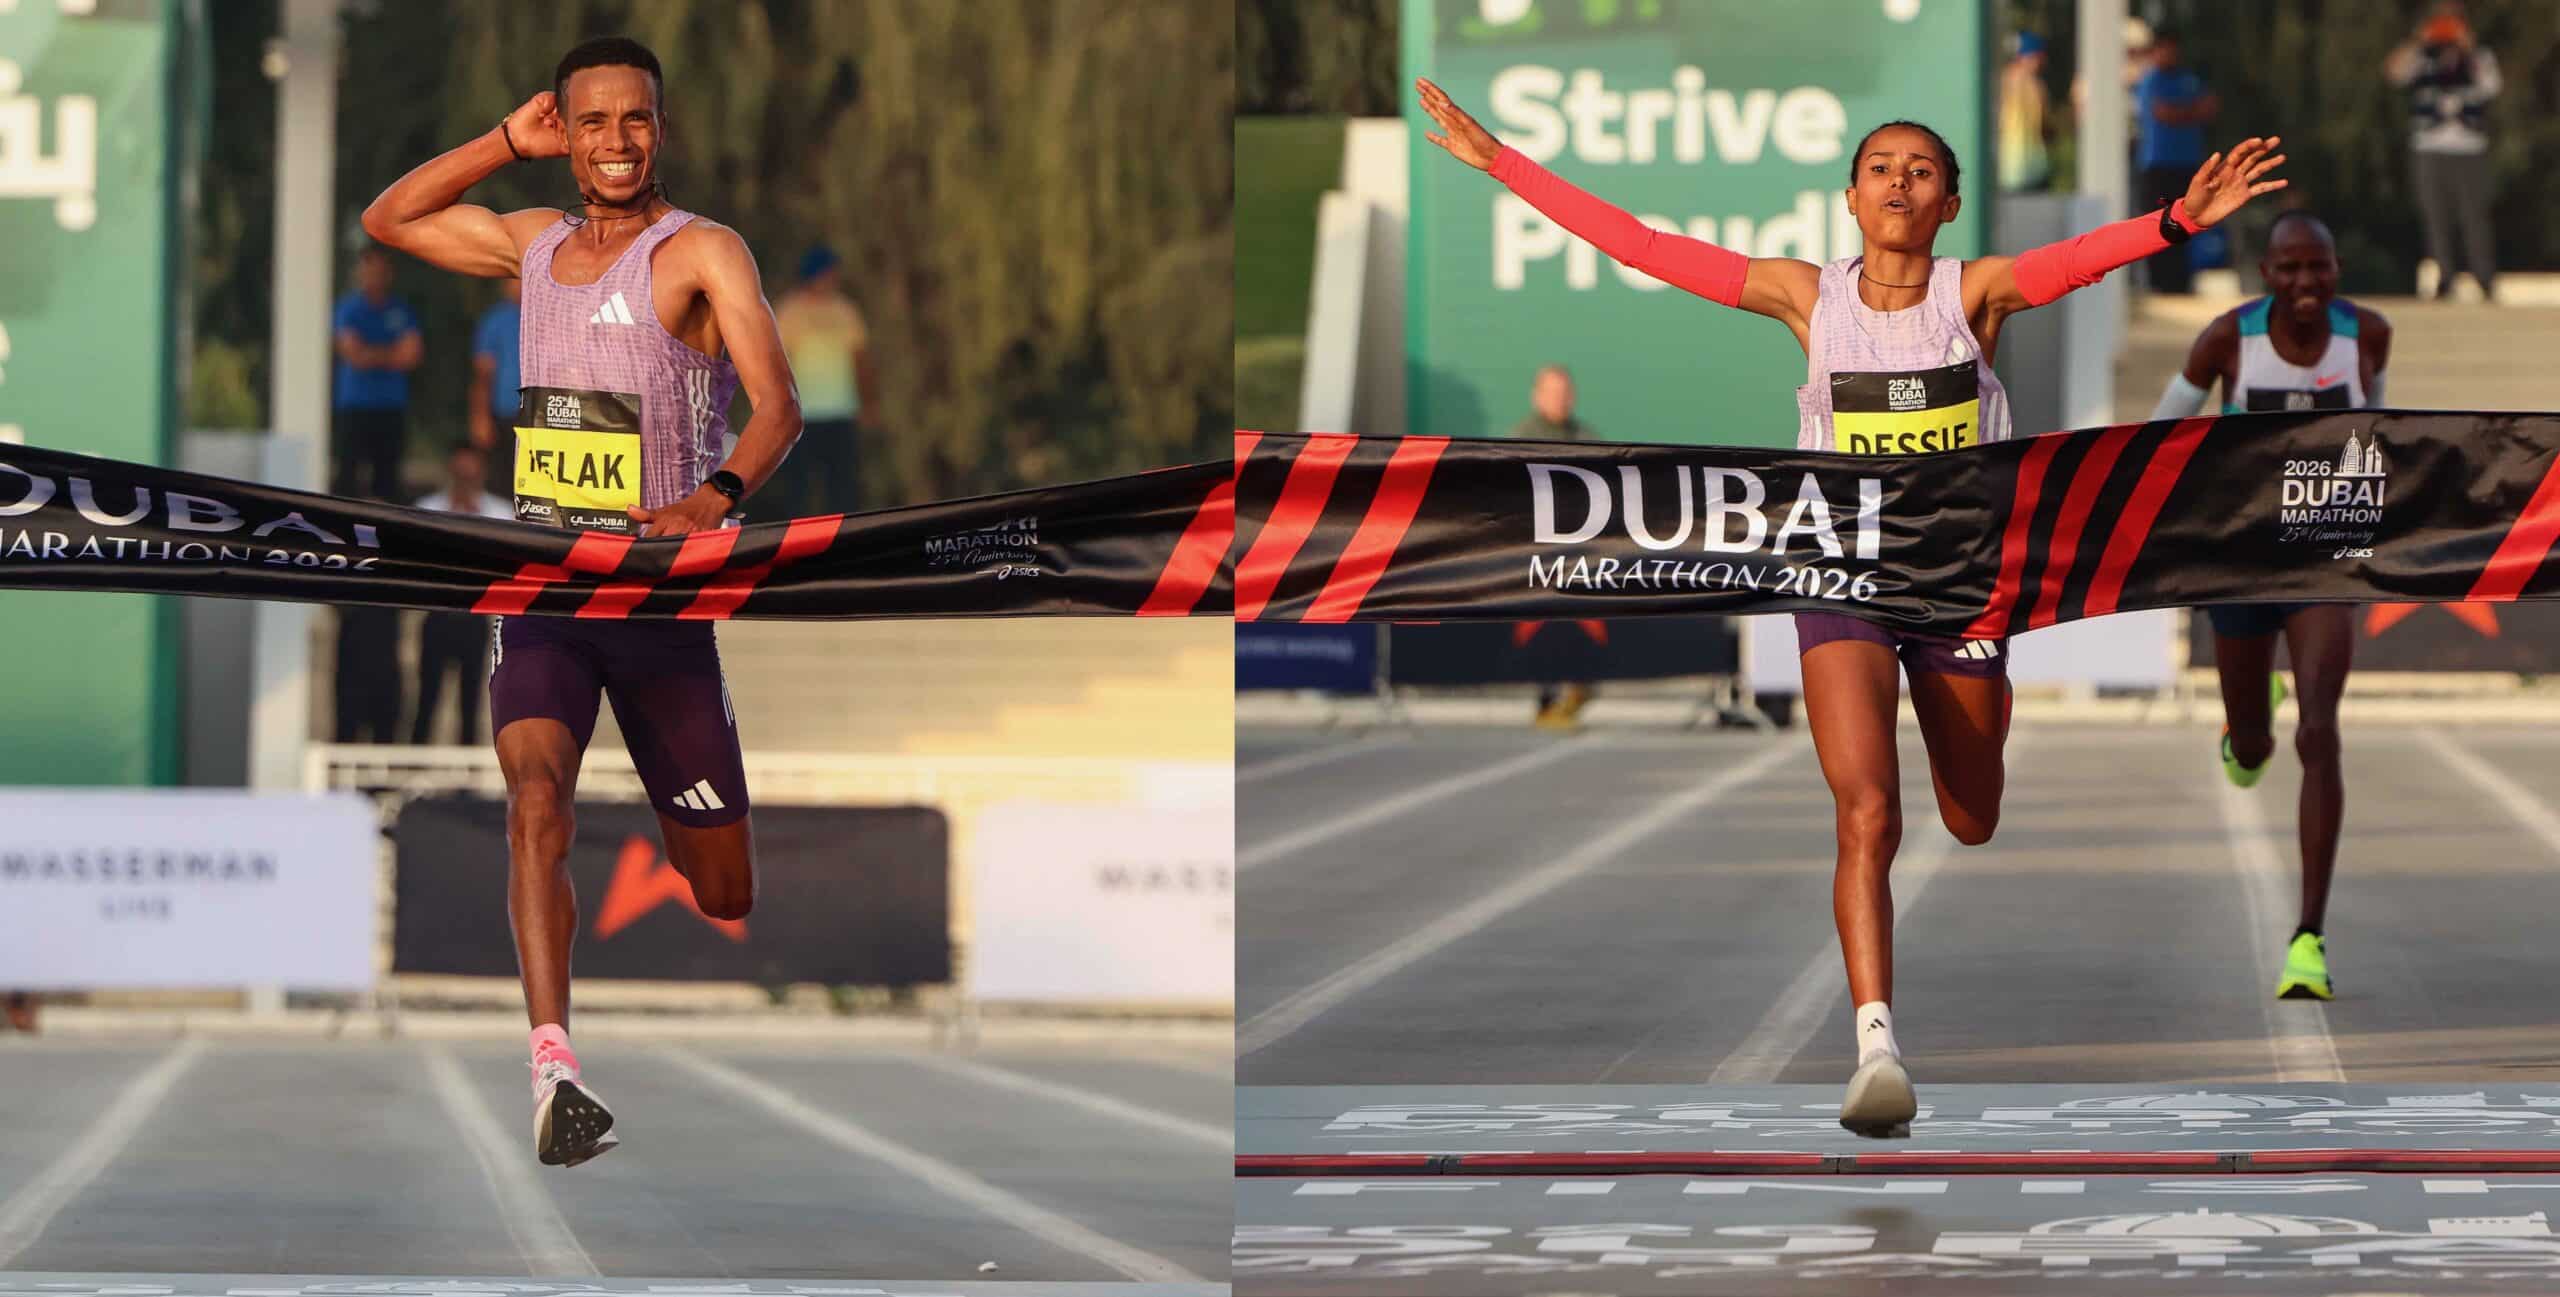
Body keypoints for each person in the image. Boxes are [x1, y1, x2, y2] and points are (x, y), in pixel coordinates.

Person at [1415, 76, 2286, 1137]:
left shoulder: (1974, 294)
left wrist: (2178, 221)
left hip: (1959, 582)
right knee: (1866, 805)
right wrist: (1503, 163)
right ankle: (1876, 1045)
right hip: (1840, 575)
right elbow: (1644, 247)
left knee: (1971, 816)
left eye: (1920, 171)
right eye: (1879, 168)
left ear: (1948, 205)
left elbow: (2077, 259)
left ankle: (1950, 813)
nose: (1898, 183)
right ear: (1850, 197)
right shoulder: (1806, 296)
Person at [360, 35, 803, 1166]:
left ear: (662, 128)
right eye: (593, 120)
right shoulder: (531, 243)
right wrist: (500, 143)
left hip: (660, 604)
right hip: (546, 588)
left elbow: (779, 408)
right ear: (565, 132)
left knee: (724, 889)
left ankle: (649, 808)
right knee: (533, 800)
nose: (616, 141)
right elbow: (390, 219)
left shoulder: (701, 251)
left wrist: (712, 497)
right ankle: (553, 1066)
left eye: (635, 119)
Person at [2150, 211, 2390, 1002]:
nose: (2305, 282)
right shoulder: (2227, 339)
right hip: (2242, 559)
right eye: (2290, 268)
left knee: (2320, 733)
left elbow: (2382, 434)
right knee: (2254, 748)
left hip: (2324, 560)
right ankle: (2247, 725)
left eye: (2318, 266)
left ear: (2337, 267)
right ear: (2266, 273)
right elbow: (2157, 434)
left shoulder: (2368, 335)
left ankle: (2308, 937)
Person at [2386, 2, 2500, 301]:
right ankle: (2445, 277)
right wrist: (2418, 40)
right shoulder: (2422, 57)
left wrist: (2469, 48)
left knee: (2475, 215)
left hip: (2470, 146)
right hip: (2429, 145)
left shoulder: (2479, 57)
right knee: (2435, 216)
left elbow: (2491, 86)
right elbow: (2394, 73)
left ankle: (2484, 278)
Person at [409, 441, 516, 746]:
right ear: (450, 471)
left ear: (482, 474)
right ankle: (414, 764)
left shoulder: (500, 512)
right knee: (427, 698)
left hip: (477, 616)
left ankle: (467, 770)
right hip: (438, 614)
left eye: (471, 473)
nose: (466, 479)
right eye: (461, 473)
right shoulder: (427, 509)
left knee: (471, 703)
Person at [1510, 364, 1596, 727]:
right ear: (1537, 396)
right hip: (1537, 552)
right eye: (1552, 393)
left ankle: (1578, 689)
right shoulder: (1521, 437)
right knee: (1544, 626)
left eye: (1564, 393)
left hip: (1579, 549)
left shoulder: (1585, 436)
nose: (1559, 400)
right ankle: (1547, 699)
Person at [772, 245, 872, 517]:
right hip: (802, 416)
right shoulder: (790, 311)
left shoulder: (845, 310)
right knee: (800, 490)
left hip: (841, 411)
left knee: (843, 488)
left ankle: (844, 536)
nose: (832, 278)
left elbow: (860, 359)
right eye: (828, 272)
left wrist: (868, 402)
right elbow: (778, 363)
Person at [331, 246, 423, 501]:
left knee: (388, 482)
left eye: (380, 271)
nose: (374, 277)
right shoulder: (348, 309)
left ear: (389, 274)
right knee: (347, 480)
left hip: (391, 407)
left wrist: (370, 353)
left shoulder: (402, 311)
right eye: (369, 270)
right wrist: (392, 353)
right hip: (354, 406)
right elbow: (353, 355)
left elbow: (411, 356)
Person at [2132, 28, 2217, 294]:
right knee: (2159, 222)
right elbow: (2163, 113)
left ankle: (2181, 281)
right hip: (2158, 165)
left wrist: (2182, 113)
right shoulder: (2150, 81)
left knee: (2187, 221)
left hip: (2187, 164)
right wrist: (2191, 112)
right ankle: (2159, 282)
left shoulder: (2189, 79)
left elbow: (2209, 109)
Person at [469, 276, 525, 467]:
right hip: (504, 413)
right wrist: (480, 415)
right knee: (502, 475)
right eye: (514, 280)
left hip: (540, 414)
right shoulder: (494, 321)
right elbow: (483, 374)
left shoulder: (548, 318)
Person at [1998, 32, 2052, 193]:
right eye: (2039, 57)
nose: (2042, 62)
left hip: (2006, 170)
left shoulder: (2002, 81)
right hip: (2032, 169)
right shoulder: (2037, 86)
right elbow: (2046, 126)